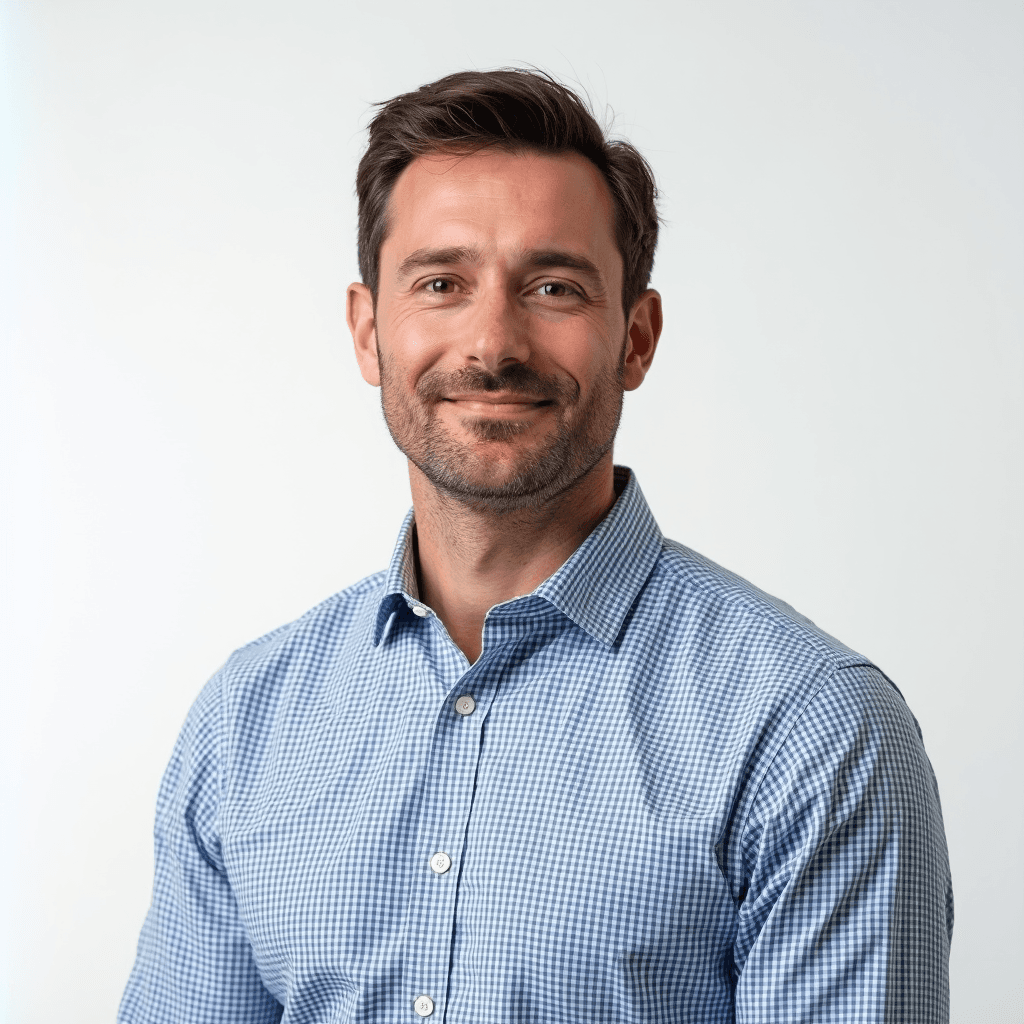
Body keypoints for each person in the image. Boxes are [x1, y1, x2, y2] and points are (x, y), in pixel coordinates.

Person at [120, 69, 953, 1023]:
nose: (493, 343)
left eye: (554, 287)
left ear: (635, 338)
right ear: (367, 331)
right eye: (441, 283)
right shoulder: (246, 724)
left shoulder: (810, 730)